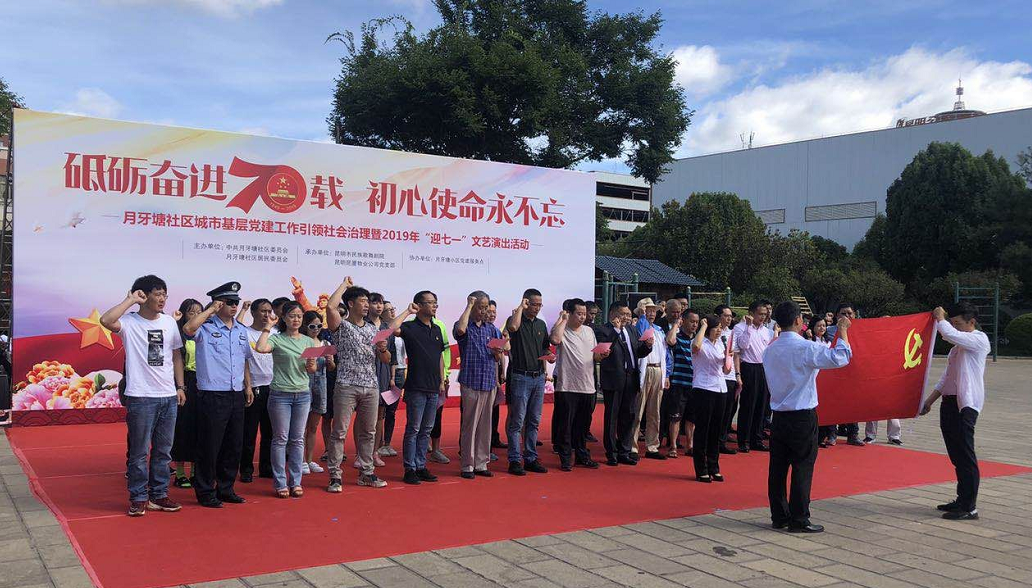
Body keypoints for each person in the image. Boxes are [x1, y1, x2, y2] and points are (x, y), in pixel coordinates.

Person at [100, 276, 186, 517]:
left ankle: (159, 495)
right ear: (144, 296)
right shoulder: (129, 322)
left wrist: (180, 386)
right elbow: (105, 320)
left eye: (165, 294)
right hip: (141, 396)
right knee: (139, 452)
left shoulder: (169, 322)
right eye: (157, 294)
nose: (162, 299)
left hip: (168, 396)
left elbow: (176, 356)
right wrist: (130, 300)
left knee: (163, 451)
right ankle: (138, 497)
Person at [764, 300, 852, 533]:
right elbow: (840, 358)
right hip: (802, 414)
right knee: (802, 466)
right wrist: (842, 331)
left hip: (779, 415)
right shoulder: (805, 347)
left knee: (778, 468)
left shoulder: (770, 349)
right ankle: (799, 518)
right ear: (798, 320)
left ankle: (779, 515)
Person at [183, 282, 253, 508]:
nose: (234, 306)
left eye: (236, 302)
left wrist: (248, 386)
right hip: (213, 394)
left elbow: (244, 360)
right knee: (210, 445)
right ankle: (205, 491)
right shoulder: (205, 327)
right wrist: (211, 310)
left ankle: (226, 488)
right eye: (229, 302)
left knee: (233, 444)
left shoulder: (241, 330)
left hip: (236, 393)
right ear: (218, 303)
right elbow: (188, 329)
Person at [919, 303, 991, 521]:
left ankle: (969, 507)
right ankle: (961, 499)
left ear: (972, 322)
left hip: (965, 405)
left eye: (958, 323)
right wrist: (929, 401)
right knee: (956, 454)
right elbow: (947, 378)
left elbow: (950, 334)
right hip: (950, 403)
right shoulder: (957, 348)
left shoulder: (979, 340)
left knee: (965, 455)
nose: (954, 327)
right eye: (952, 323)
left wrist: (940, 318)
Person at [325, 278, 391, 491]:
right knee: (339, 432)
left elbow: (386, 359)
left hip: (371, 386)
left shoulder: (372, 329)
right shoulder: (341, 326)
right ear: (351, 304)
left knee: (369, 432)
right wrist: (345, 285)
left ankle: (367, 473)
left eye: (367, 301)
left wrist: (383, 349)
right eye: (362, 301)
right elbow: (330, 306)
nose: (367, 305)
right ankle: (335, 475)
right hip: (346, 385)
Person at [254, 302, 318, 498]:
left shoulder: (309, 341)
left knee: (297, 440)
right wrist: (267, 327)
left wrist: (311, 365)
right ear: (283, 318)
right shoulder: (277, 338)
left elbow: (311, 370)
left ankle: (296, 482)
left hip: (303, 394)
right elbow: (260, 347)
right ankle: (280, 482)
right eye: (291, 315)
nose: (296, 319)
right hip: (280, 394)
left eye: (299, 316)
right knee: (280, 439)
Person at [389, 291, 447, 485]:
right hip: (416, 386)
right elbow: (390, 328)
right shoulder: (410, 327)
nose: (434, 306)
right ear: (419, 306)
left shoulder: (437, 329)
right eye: (430, 303)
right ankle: (410, 468)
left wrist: (441, 380)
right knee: (413, 428)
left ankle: (421, 466)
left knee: (426, 429)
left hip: (433, 386)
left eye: (435, 302)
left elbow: (439, 357)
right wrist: (408, 311)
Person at [453, 291, 504, 478]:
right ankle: (467, 464)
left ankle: (481, 463)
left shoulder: (492, 329)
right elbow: (460, 331)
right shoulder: (465, 325)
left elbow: (499, 354)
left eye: (485, 307)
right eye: (480, 307)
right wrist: (468, 306)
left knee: (485, 425)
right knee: (470, 425)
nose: (484, 311)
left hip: (489, 381)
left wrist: (498, 352)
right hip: (471, 381)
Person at [550, 298, 605, 471]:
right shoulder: (562, 329)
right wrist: (563, 319)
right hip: (567, 385)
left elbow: (595, 356)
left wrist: (602, 355)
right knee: (565, 425)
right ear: (570, 313)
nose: (583, 317)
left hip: (587, 385)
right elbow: (555, 339)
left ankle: (582, 455)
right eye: (579, 314)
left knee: (582, 425)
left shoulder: (589, 331)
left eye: (584, 314)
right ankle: (566, 458)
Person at [503, 289, 553, 475]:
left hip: (538, 377)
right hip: (520, 376)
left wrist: (549, 356)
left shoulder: (541, 324)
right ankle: (514, 460)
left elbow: (545, 348)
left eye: (540, 305)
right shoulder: (514, 319)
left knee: (534, 420)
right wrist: (520, 308)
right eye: (534, 304)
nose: (537, 308)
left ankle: (531, 457)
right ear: (525, 302)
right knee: (517, 420)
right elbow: (512, 328)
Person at [597, 302, 652, 466]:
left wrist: (647, 346)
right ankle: (611, 452)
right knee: (612, 417)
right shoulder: (603, 330)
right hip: (614, 379)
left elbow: (638, 351)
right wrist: (616, 331)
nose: (627, 317)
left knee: (629, 416)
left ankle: (625, 451)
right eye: (624, 314)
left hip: (631, 378)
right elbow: (604, 350)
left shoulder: (632, 330)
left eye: (629, 314)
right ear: (613, 314)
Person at [689, 314, 731, 482]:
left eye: (720, 328)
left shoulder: (721, 343)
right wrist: (704, 326)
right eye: (716, 328)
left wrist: (728, 358)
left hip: (720, 388)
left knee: (716, 429)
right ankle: (701, 468)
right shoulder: (701, 341)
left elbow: (726, 370)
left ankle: (714, 465)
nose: (719, 331)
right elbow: (696, 347)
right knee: (703, 429)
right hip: (704, 387)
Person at [241, 299, 275, 483]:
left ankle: (266, 468)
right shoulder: (245, 333)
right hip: (253, 387)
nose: (266, 315)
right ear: (253, 313)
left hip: (274, 387)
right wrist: (247, 385)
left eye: (269, 311)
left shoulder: (275, 333)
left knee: (270, 432)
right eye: (262, 311)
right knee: (249, 432)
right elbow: (244, 361)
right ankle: (246, 469)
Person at [734, 301, 773, 453]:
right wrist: (748, 328)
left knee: (761, 404)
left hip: (763, 367)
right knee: (748, 404)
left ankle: (757, 438)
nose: (763, 317)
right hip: (748, 367)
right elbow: (743, 346)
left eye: (765, 314)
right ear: (751, 313)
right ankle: (744, 440)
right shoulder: (740, 328)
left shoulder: (766, 331)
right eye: (760, 314)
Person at [171, 298, 202, 488]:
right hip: (185, 382)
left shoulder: (206, 333)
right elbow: (177, 362)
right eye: (192, 312)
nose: (196, 316)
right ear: (184, 315)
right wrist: (180, 387)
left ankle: (197, 472)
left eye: (199, 312)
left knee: (201, 428)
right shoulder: (178, 335)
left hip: (204, 383)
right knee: (183, 428)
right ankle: (180, 472)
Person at [633, 299, 668, 460]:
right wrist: (641, 316)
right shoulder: (639, 325)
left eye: (653, 310)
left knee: (655, 412)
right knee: (638, 410)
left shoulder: (659, 330)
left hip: (658, 369)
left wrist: (666, 374)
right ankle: (632, 445)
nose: (651, 313)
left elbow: (665, 353)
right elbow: (642, 334)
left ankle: (652, 445)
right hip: (645, 369)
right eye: (648, 310)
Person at [827, 303, 864, 446]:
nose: (847, 316)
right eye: (843, 313)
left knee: (853, 403)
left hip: (853, 373)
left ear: (854, 315)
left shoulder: (861, 331)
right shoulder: (828, 331)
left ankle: (853, 434)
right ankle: (832, 434)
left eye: (850, 313)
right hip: (834, 373)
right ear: (837, 315)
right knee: (833, 403)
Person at [302, 310, 333, 473]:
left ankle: (309, 459)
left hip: (321, 386)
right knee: (301, 427)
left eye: (319, 326)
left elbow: (332, 367)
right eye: (312, 326)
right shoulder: (301, 342)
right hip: (303, 385)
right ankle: (300, 461)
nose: (316, 329)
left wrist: (330, 361)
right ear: (305, 326)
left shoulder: (325, 343)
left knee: (313, 426)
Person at [664, 308, 698, 458]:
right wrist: (676, 325)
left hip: (695, 384)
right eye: (692, 321)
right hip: (678, 383)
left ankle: (690, 445)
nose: (694, 325)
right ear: (684, 321)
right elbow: (670, 341)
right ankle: (673, 446)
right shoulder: (678, 337)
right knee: (675, 417)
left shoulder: (697, 340)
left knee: (692, 418)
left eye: (696, 322)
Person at [806, 317, 838, 448]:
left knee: (826, 407)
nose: (822, 328)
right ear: (812, 327)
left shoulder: (828, 342)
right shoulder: (809, 341)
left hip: (827, 378)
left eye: (824, 326)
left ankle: (824, 436)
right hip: (814, 377)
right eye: (819, 325)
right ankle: (814, 436)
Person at [715, 305, 741, 455]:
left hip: (730, 376)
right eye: (726, 315)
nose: (729, 318)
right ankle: (712, 440)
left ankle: (722, 441)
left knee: (728, 411)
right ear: (718, 316)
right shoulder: (713, 333)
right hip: (717, 376)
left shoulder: (732, 333)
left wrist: (738, 375)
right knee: (717, 411)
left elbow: (735, 355)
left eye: (731, 316)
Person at [376, 300, 400, 458]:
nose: (392, 312)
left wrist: (393, 377)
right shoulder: (378, 330)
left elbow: (393, 358)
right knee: (376, 414)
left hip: (393, 375)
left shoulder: (394, 332)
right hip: (377, 375)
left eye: (393, 309)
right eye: (388, 310)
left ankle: (385, 444)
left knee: (388, 412)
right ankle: (375, 447)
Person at [487, 300, 508, 451]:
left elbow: (503, 352)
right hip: (486, 376)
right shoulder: (479, 331)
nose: (492, 314)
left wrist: (502, 373)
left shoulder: (496, 331)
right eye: (489, 311)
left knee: (495, 410)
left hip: (497, 375)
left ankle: (494, 438)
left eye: (494, 312)